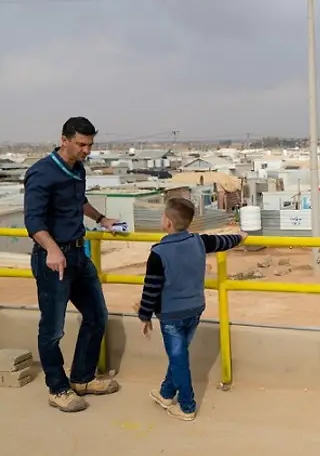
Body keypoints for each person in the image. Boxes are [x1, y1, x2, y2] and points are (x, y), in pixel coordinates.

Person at [23, 116, 122, 412]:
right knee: (53, 329)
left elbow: (78, 202)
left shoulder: (78, 169)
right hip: (53, 260)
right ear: (64, 139)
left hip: (79, 254)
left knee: (96, 316)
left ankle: (82, 378)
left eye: (90, 145)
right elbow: (33, 222)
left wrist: (102, 219)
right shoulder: (41, 173)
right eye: (81, 144)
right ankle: (58, 387)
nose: (86, 151)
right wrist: (53, 249)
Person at [137, 198, 244, 421]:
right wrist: (240, 237)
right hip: (195, 309)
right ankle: (166, 393)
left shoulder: (158, 253)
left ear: (167, 222)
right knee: (179, 356)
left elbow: (151, 289)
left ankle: (187, 406)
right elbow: (221, 241)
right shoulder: (198, 241)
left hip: (171, 315)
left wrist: (144, 316)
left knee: (179, 360)